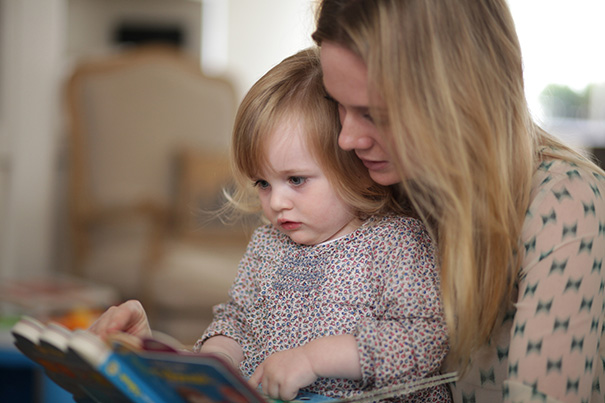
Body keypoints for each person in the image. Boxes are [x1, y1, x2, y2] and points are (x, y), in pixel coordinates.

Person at [90, 48, 450, 402]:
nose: (276, 202)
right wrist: (215, 362)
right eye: (263, 183)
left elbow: (423, 340)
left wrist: (313, 359)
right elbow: (237, 320)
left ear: (353, 168)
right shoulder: (268, 243)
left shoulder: (396, 242)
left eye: (296, 179)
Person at [311, 0, 605, 402]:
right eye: (338, 105)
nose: (347, 139)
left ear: (462, 96)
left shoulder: (567, 203)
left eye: (376, 115)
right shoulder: (383, 187)